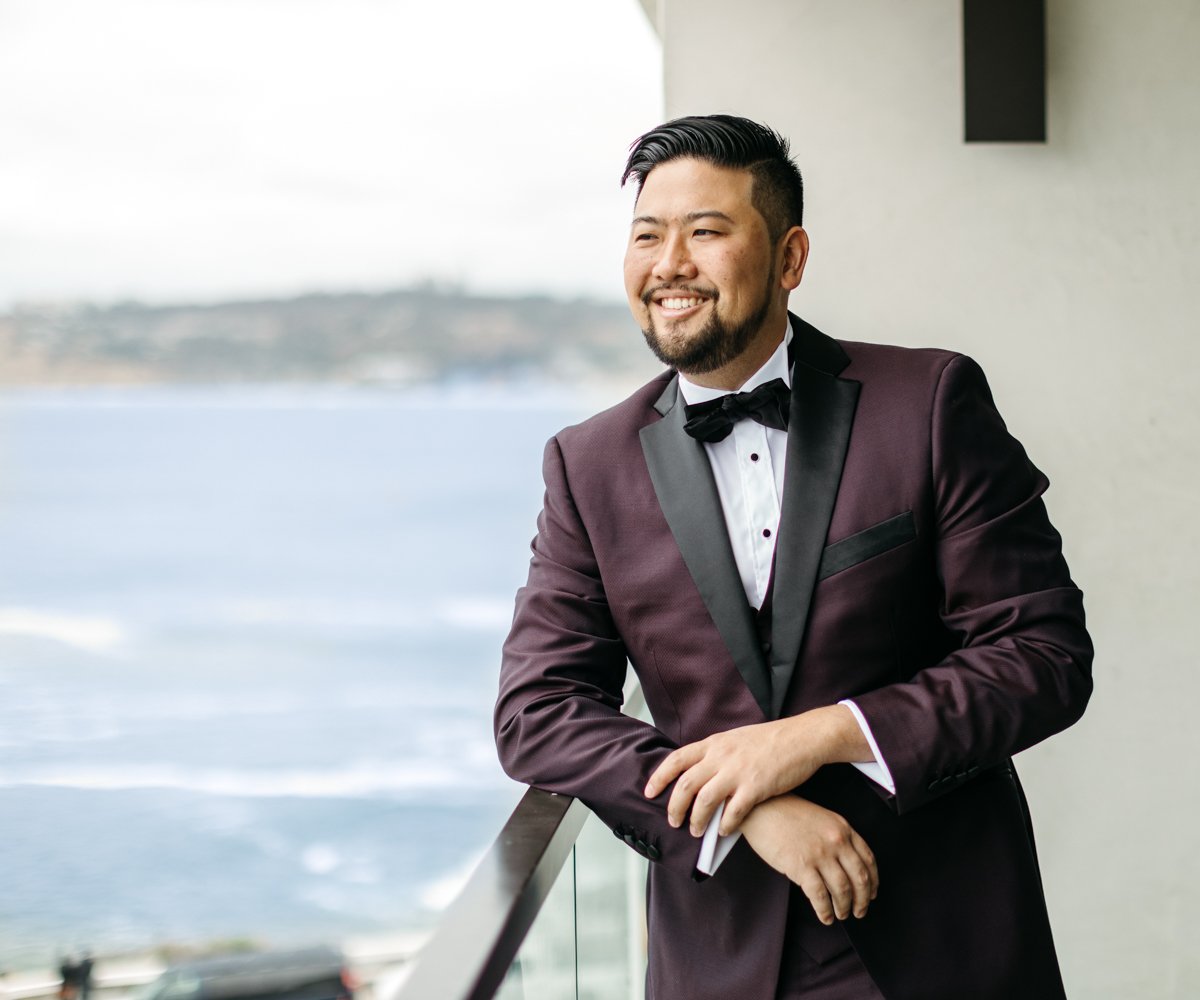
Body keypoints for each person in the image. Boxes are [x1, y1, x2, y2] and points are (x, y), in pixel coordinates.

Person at [494, 114, 1092, 999]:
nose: (669, 265)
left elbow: (1042, 657)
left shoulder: (927, 403)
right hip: (722, 950)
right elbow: (537, 709)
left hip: (943, 942)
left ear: (790, 257)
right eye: (647, 236)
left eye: (706, 232)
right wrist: (746, 809)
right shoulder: (587, 465)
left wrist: (818, 737)